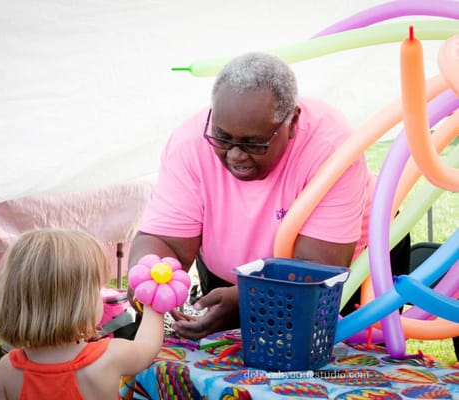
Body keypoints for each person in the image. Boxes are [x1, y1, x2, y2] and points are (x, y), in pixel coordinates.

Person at [127, 51, 409, 340]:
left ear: (293, 123)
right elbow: (164, 241)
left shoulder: (332, 148)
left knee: (333, 363)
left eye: (254, 143)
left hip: (352, 272)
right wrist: (149, 274)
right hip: (242, 282)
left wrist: (247, 302)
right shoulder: (189, 144)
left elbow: (318, 272)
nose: (235, 155)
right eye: (222, 138)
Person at [0, 229, 165, 400]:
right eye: (98, 289)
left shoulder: (7, 369)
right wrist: (155, 301)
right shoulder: (107, 357)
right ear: (80, 304)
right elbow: (147, 345)